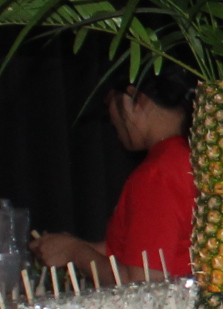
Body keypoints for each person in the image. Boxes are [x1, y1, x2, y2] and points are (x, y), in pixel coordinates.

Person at [33, 70, 196, 275]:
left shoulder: (158, 172)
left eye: (108, 103)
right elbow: (153, 250)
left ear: (133, 100)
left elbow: (143, 283)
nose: (111, 121)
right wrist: (72, 247)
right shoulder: (187, 158)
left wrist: (75, 252)